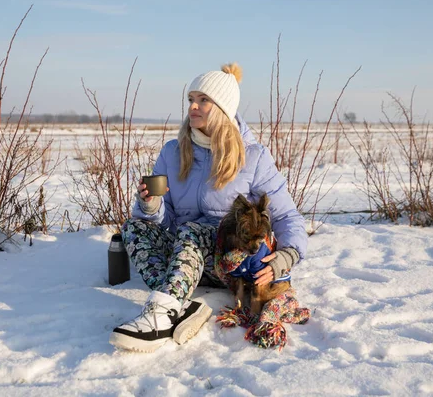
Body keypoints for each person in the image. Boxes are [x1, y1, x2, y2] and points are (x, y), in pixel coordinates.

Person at [109, 63, 307, 352]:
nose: (193, 107)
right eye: (191, 99)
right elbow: (159, 218)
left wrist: (286, 257)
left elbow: (287, 215)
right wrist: (149, 204)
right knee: (133, 228)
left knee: (193, 229)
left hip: (230, 265)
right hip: (186, 261)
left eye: (203, 100)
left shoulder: (253, 157)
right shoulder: (171, 153)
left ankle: (162, 313)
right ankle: (182, 304)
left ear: (224, 109)